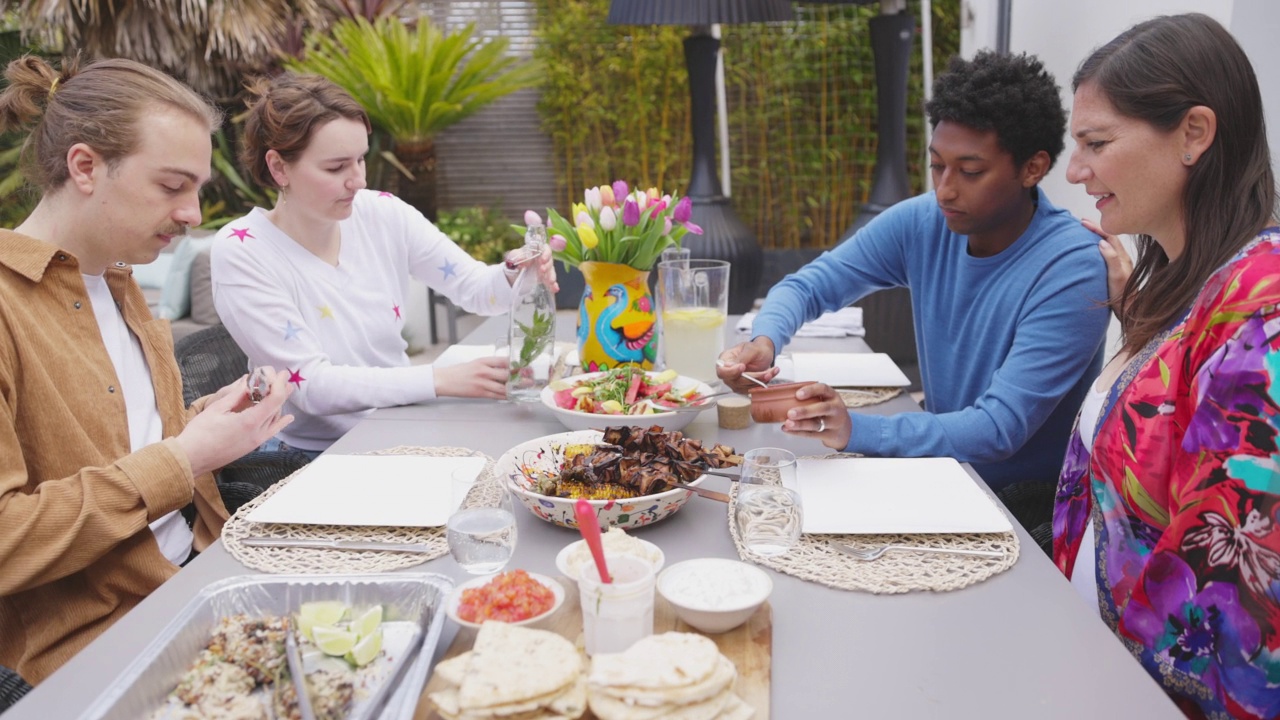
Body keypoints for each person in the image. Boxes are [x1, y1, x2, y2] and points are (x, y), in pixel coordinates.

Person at [0, 56, 294, 684]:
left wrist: (206, 426)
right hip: (101, 648)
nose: (193, 213)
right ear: (85, 167)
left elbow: (123, 445)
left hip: (205, 574)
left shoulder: (116, 279)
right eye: (171, 185)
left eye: (197, 189)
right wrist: (185, 458)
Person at [718, 50, 1110, 521]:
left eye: (969, 171)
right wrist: (765, 339)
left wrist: (855, 430)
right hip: (936, 477)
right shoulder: (926, 221)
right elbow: (809, 285)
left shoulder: (1072, 268)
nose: (945, 188)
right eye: (937, 165)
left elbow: (999, 429)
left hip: (1025, 512)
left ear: (1032, 168)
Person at [1052, 14, 1280, 718]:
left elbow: (1235, 573)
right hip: (1091, 663)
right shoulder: (1194, 285)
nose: (1075, 171)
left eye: (1096, 144)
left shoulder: (1260, 308)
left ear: (1194, 132)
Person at [211, 73, 557, 454]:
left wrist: (515, 274)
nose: (357, 180)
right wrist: (439, 380)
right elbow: (309, 384)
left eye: (361, 159)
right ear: (279, 168)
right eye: (336, 167)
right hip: (315, 454)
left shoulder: (383, 213)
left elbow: (476, 290)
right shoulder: (244, 252)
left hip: (404, 422)